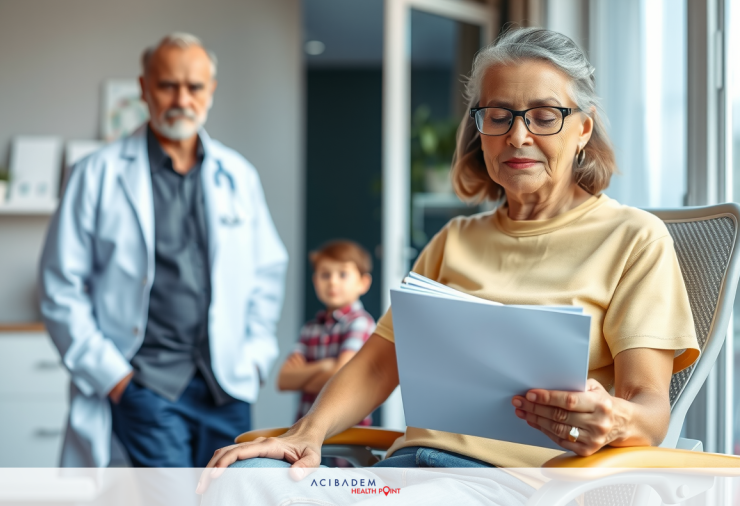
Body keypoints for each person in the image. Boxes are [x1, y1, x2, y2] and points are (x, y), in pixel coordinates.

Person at [197, 27, 701, 502]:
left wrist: (612, 419)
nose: (518, 137)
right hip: (405, 473)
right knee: (242, 482)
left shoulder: (633, 238)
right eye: (498, 116)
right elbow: (379, 360)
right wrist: (305, 435)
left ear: (583, 128)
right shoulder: (453, 240)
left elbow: (650, 407)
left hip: (516, 487)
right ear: (480, 130)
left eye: (544, 116)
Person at [39, 32, 288, 468]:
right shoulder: (96, 174)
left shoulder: (237, 174)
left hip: (226, 388)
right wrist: (115, 379)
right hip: (144, 386)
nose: (181, 98)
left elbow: (268, 270)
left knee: (227, 499)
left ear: (211, 91)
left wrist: (254, 359)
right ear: (143, 88)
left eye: (194, 87)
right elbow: (61, 285)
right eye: (167, 85)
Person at [277, 240, 375, 427]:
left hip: (348, 431)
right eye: (325, 274)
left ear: (363, 283)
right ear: (315, 281)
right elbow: (283, 380)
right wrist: (324, 367)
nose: (332, 281)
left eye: (343, 274)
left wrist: (303, 378)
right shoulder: (310, 328)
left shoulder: (361, 323)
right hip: (305, 429)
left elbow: (342, 378)